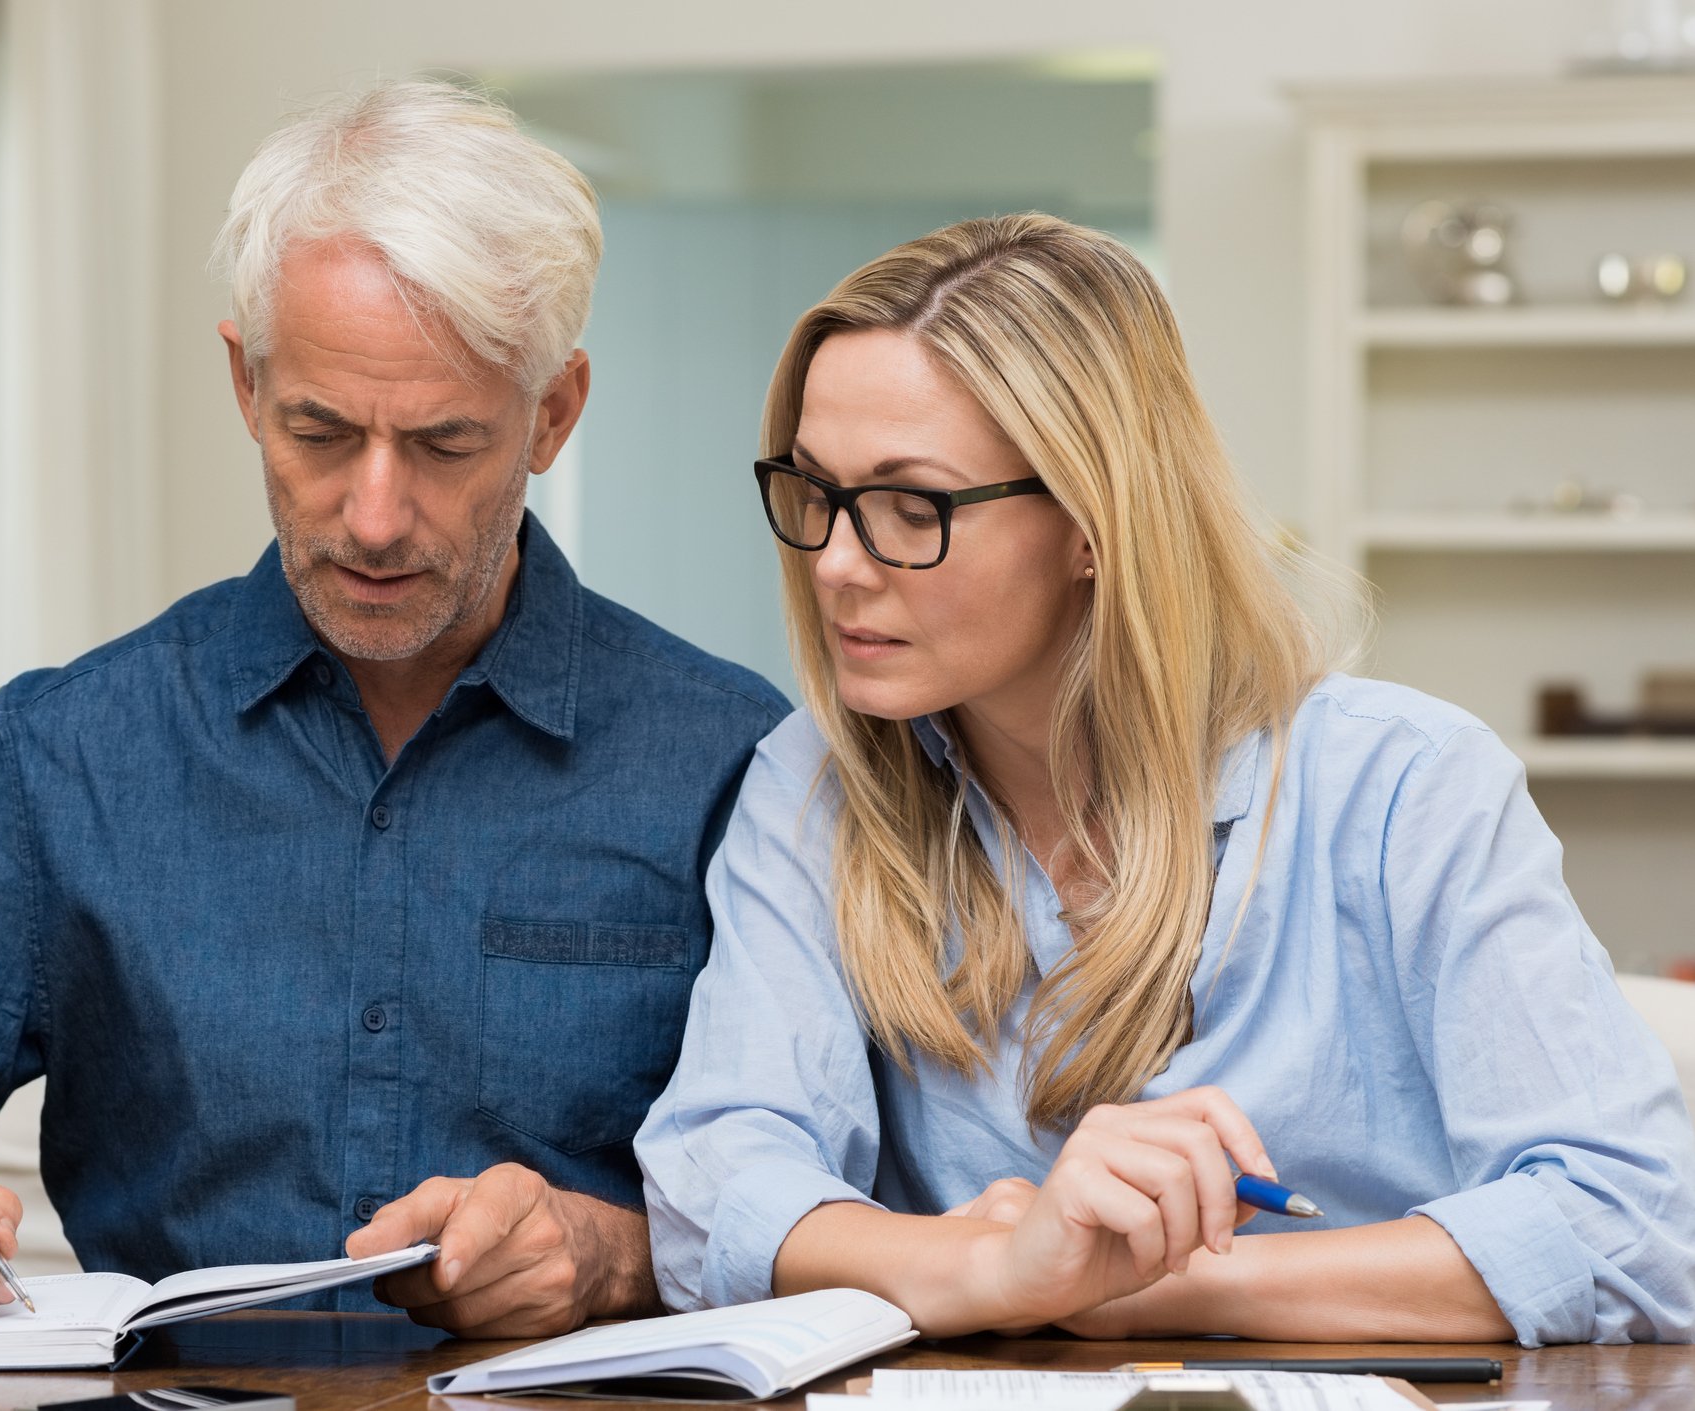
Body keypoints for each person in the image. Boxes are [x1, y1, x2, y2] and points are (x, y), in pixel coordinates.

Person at [0, 79, 788, 1338]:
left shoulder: (731, 759)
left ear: (555, 413)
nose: (371, 516)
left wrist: (614, 1256)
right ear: (247, 386)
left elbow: (860, 1215)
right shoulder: (67, 754)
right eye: (319, 430)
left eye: (441, 444)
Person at [636, 213, 1695, 1346]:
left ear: (1093, 522)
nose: (837, 563)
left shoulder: (1405, 787)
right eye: (815, 493)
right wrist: (999, 1266)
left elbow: (1630, 1228)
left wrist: (1140, 1284)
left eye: (913, 508)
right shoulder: (815, 783)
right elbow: (709, 1194)